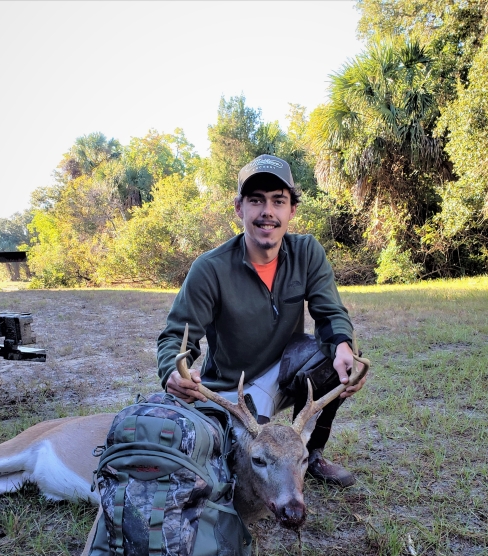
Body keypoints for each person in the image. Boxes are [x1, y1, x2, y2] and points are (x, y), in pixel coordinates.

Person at [157, 155, 367, 486]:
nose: (267, 211)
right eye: (256, 200)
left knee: (329, 358)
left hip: (284, 374)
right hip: (232, 389)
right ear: (240, 208)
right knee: (227, 472)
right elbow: (174, 337)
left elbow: (330, 312)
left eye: (278, 201)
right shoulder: (210, 269)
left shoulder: (307, 253)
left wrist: (344, 346)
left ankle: (310, 455)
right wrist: (172, 370)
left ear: (291, 210)